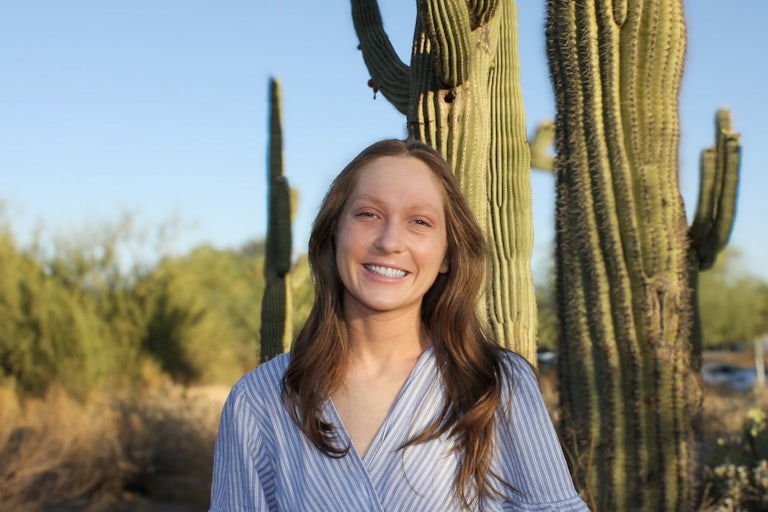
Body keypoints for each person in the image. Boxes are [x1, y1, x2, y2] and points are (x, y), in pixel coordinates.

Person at [209, 139, 589, 511]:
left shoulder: (495, 385)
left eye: (419, 222)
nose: (390, 241)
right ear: (334, 233)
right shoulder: (258, 401)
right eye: (368, 214)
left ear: (447, 254)